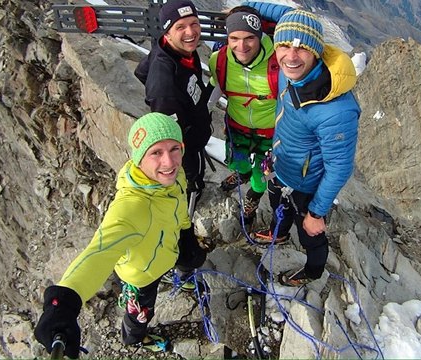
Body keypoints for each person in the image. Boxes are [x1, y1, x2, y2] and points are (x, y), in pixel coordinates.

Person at [33, 113, 207, 357]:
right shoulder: (131, 207)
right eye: (155, 152)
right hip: (141, 275)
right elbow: (100, 251)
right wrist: (63, 303)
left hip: (166, 250)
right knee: (141, 312)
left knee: (188, 260)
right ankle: (134, 337)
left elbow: (177, 208)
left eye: (174, 148)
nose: (169, 161)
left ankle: (179, 275)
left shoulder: (173, 177)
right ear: (138, 159)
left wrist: (186, 232)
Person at [251, 9, 361, 287]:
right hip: (282, 165)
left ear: (315, 52)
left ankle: (313, 272)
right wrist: (246, 8)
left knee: (311, 233)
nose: (290, 56)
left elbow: (339, 168)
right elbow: (289, 15)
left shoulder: (336, 110)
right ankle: (280, 233)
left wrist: (316, 212)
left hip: (306, 185)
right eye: (284, 46)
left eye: (301, 48)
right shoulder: (296, 74)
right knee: (277, 202)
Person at [134, 0, 212, 205]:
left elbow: (141, 71)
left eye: (194, 23)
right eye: (180, 27)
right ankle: (188, 199)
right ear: (168, 33)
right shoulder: (164, 85)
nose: (190, 32)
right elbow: (171, 137)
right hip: (187, 146)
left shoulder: (173, 49)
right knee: (189, 182)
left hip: (193, 130)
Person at [207, 5, 278, 223]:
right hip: (237, 127)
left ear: (260, 36)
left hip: (270, 133)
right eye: (234, 38)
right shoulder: (219, 61)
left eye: (249, 38)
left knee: (261, 175)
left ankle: (253, 197)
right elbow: (216, 88)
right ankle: (242, 172)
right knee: (237, 161)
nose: (241, 45)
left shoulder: (278, 62)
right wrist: (203, 113)